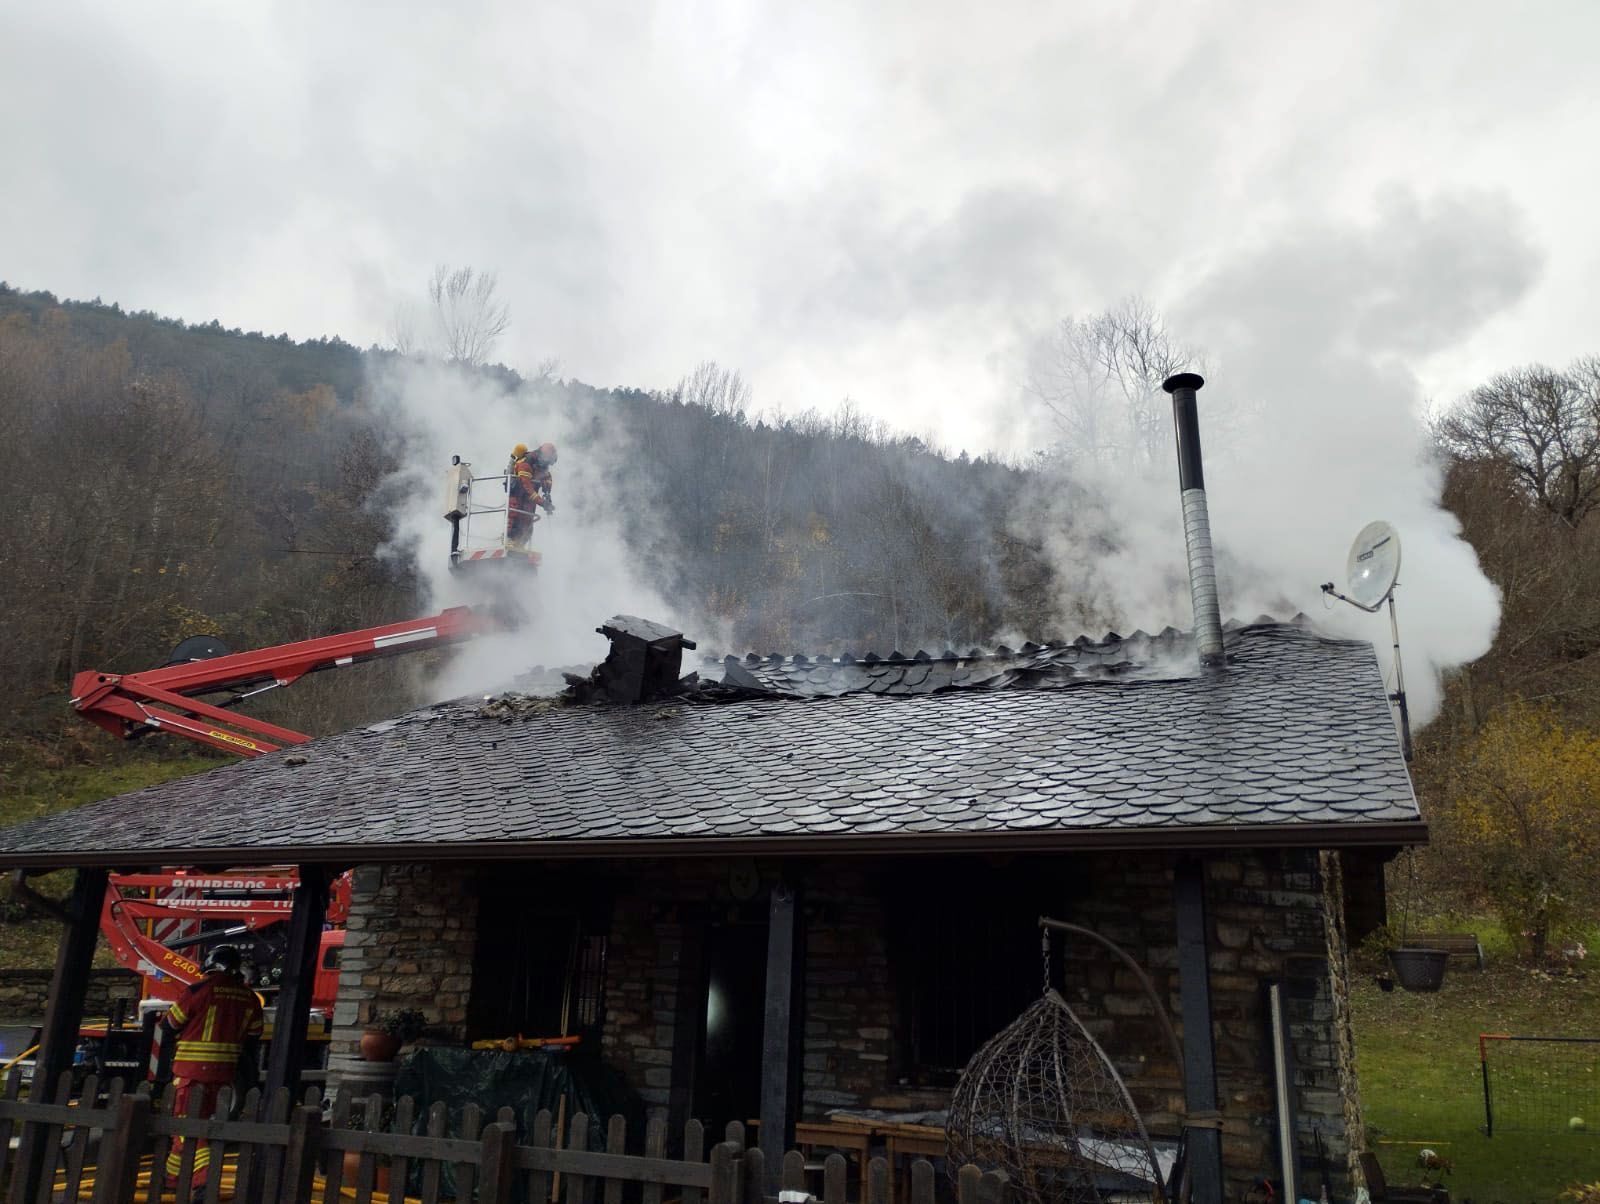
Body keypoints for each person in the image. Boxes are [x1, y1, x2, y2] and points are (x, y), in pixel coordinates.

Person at [159, 945, 263, 1192]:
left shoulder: (199, 990)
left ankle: (205, 1180)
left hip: (191, 1073)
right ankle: (172, 1179)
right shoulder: (249, 997)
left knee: (188, 1126)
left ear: (211, 965)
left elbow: (170, 1024)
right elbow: (255, 1034)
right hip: (225, 1075)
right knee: (190, 1125)